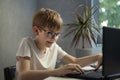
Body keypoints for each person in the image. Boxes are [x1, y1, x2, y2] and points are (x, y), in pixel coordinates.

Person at [16, 8, 102, 80]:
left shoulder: (54, 47)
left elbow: (74, 61)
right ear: (36, 30)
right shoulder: (27, 43)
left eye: (57, 34)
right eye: (50, 33)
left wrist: (97, 56)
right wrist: (58, 71)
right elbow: (23, 75)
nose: (54, 38)